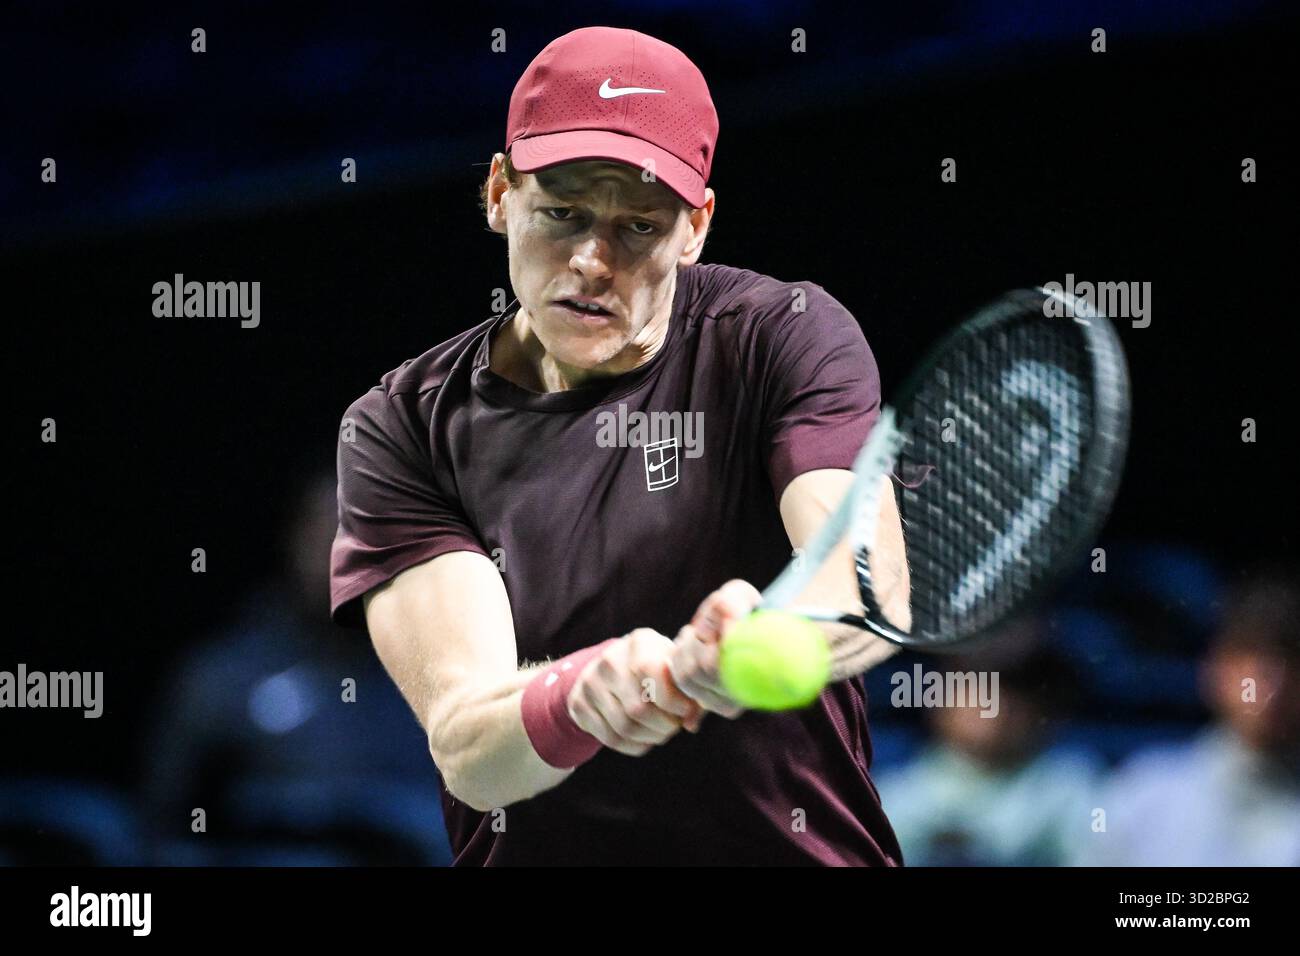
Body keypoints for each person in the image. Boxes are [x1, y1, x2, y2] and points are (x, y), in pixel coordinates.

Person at [330, 26, 909, 865]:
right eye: (561, 213)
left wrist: (765, 636)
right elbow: (468, 746)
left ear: (695, 227)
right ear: (499, 192)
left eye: (638, 226)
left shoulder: (780, 337)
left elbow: (868, 582)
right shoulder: (403, 426)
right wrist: (579, 695)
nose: (593, 261)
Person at [1074, 566, 1300, 866]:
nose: (1274, 685)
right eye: (1253, 660)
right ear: (1214, 669)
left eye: (1291, 662)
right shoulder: (1144, 790)